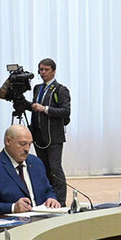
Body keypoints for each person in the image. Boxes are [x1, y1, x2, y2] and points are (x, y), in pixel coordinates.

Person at [0, 125, 61, 217]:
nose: (27, 149)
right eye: (22, 144)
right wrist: (13, 207)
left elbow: (48, 190)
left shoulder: (36, 163)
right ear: (8, 141)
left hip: (42, 219)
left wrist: (51, 199)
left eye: (29, 144)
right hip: (13, 222)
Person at [27, 57, 70, 198]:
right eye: (41, 70)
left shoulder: (60, 89)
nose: (43, 72)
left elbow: (65, 111)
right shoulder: (37, 88)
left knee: (55, 168)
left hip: (54, 135)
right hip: (39, 134)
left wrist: (45, 109)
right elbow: (34, 107)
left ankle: (61, 200)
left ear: (54, 71)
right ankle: (49, 198)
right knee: (44, 167)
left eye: (46, 70)